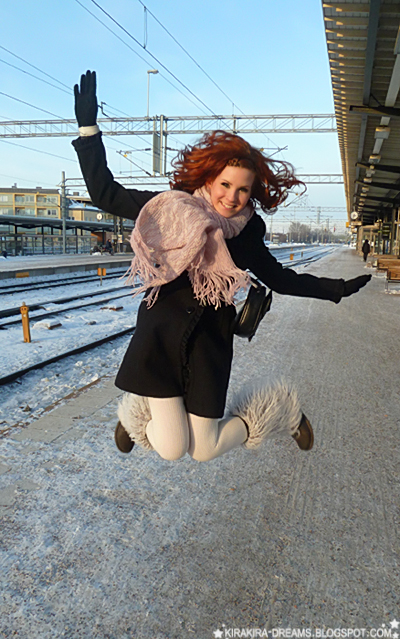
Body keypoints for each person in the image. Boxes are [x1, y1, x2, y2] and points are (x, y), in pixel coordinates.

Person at [72, 70, 371, 462]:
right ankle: (137, 418)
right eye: (226, 185)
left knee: (204, 449)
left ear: (252, 192)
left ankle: (281, 412)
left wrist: (336, 289)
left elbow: (280, 278)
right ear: (210, 179)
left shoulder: (248, 233)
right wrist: (89, 131)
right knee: (172, 448)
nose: (232, 197)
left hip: (209, 343)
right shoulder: (172, 206)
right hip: (160, 335)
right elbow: (106, 194)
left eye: (243, 189)